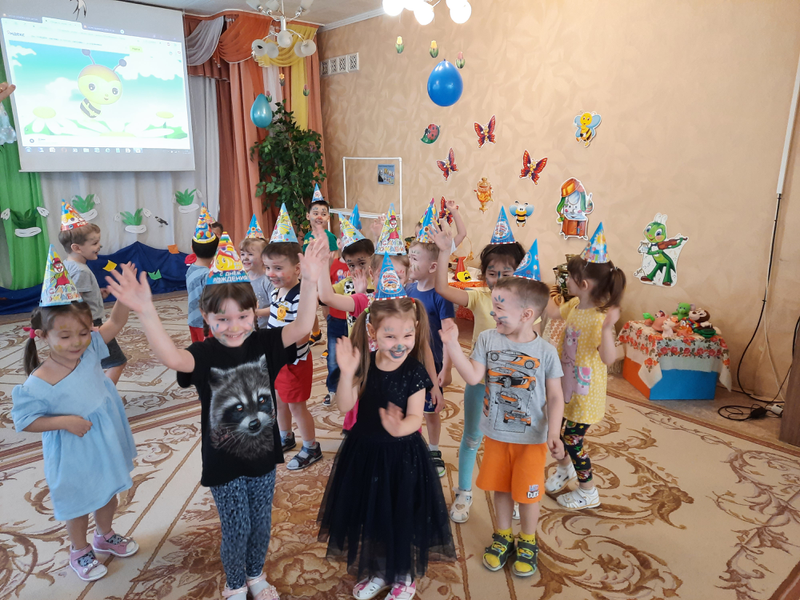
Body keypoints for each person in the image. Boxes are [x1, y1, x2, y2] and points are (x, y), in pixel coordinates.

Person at [107, 236, 328, 600]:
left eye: (242, 316)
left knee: (261, 523)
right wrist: (146, 311)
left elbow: (303, 326)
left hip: (263, 456)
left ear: (254, 311)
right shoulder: (204, 353)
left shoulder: (265, 343)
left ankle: (255, 575)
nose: (234, 326)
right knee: (237, 527)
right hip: (224, 461)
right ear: (206, 317)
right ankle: (235, 583)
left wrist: (310, 280)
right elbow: (172, 358)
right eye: (222, 319)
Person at [317, 261, 456, 600]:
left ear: (416, 330)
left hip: (402, 457)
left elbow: (416, 417)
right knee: (372, 516)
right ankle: (379, 571)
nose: (400, 343)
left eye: (407, 335)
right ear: (372, 333)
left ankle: (404, 575)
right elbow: (345, 406)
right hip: (364, 453)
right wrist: (347, 373)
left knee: (400, 516)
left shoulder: (414, 372)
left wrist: (399, 427)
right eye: (390, 336)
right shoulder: (363, 365)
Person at [12, 255, 139, 582]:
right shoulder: (38, 382)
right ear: (43, 336)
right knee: (80, 500)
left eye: (83, 333)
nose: (77, 342)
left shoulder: (91, 348)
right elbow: (24, 420)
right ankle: (79, 549)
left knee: (108, 489)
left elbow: (115, 323)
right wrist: (64, 421)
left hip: (104, 438)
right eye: (65, 336)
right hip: (74, 450)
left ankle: (104, 534)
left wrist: (124, 297)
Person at [441, 250, 565, 577]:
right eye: (493, 306)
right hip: (496, 433)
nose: (492, 312)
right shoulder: (486, 339)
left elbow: (555, 396)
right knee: (501, 487)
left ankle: (528, 540)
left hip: (532, 438)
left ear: (526, 314)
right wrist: (452, 345)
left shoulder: (546, 352)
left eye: (499, 308)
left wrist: (554, 432)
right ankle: (503, 535)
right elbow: (473, 377)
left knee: (529, 493)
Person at [431, 217, 526, 522]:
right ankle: (463, 492)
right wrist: (444, 251)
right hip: (479, 381)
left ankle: (511, 493)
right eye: (492, 273)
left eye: (506, 273)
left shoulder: (528, 307)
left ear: (520, 272)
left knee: (509, 443)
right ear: (484, 275)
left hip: (513, 387)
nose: (498, 279)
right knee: (472, 437)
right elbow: (442, 287)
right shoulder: (479, 297)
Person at [544, 223, 626, 510]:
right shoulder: (575, 304)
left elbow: (609, 358)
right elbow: (553, 311)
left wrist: (606, 329)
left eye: (569, 278)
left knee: (572, 439)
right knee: (555, 430)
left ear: (584, 283)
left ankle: (588, 491)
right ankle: (565, 468)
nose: (566, 281)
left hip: (585, 394)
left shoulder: (601, 318)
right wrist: (537, 288)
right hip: (565, 387)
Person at [263, 206, 321, 469]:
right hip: (277, 359)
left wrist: (281, 346)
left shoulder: (300, 296)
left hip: (294, 362)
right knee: (279, 400)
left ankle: (311, 447)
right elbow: (275, 315)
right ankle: (285, 437)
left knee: (297, 406)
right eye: (267, 267)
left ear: (298, 269)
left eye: (277, 268)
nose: (270, 273)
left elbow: (303, 329)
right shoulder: (277, 291)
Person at [406, 220, 455, 478]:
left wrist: (446, 368)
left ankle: (434, 450)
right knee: (409, 405)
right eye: (409, 257)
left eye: (415, 259)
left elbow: (449, 336)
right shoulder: (408, 289)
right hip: (407, 360)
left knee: (431, 409)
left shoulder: (440, 296)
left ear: (433, 266)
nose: (409, 263)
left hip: (432, 362)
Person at [59, 201, 127, 384]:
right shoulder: (80, 271)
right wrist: (87, 326)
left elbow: (77, 295)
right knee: (117, 362)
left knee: (90, 364)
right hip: (90, 325)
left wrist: (97, 294)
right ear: (77, 248)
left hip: (82, 326)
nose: (99, 246)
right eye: (95, 243)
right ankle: (105, 395)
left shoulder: (68, 265)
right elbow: (74, 303)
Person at [303, 196, 337, 345]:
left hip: (325, 280)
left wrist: (326, 279)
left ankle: (330, 342)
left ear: (328, 218)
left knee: (326, 312)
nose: (319, 216)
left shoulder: (329, 237)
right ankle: (316, 333)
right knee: (309, 309)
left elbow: (333, 259)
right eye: (315, 213)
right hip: (310, 280)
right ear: (308, 216)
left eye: (323, 214)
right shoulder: (307, 237)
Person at [187, 207, 220, 342]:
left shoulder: (190, 269)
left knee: (198, 349)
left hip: (192, 320)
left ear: (192, 249)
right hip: (206, 324)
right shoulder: (208, 275)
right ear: (216, 250)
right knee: (209, 350)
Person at [239, 221, 272, 330]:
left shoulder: (268, 280)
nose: (245, 258)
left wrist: (256, 312)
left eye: (250, 254)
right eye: (242, 254)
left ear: (263, 257)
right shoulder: (243, 277)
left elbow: (277, 307)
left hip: (265, 330)